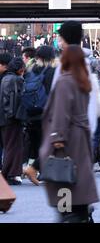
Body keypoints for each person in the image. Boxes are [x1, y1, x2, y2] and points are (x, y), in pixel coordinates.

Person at [39, 45, 99, 223]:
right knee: (78, 179)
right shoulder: (83, 80)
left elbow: (61, 112)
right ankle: (80, 213)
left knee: (63, 179)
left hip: (67, 139)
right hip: (81, 137)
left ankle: (68, 215)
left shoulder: (65, 81)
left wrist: (57, 137)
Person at [22, 46, 56, 186]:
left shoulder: (31, 70)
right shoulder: (52, 72)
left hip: (31, 112)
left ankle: (32, 168)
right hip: (46, 112)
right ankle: (43, 171)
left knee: (35, 143)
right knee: (47, 142)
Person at [0, 57, 27, 185]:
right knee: (14, 146)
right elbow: (17, 100)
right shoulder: (17, 80)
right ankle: (9, 173)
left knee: (9, 145)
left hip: (4, 118)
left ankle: (8, 173)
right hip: (13, 118)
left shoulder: (5, 78)